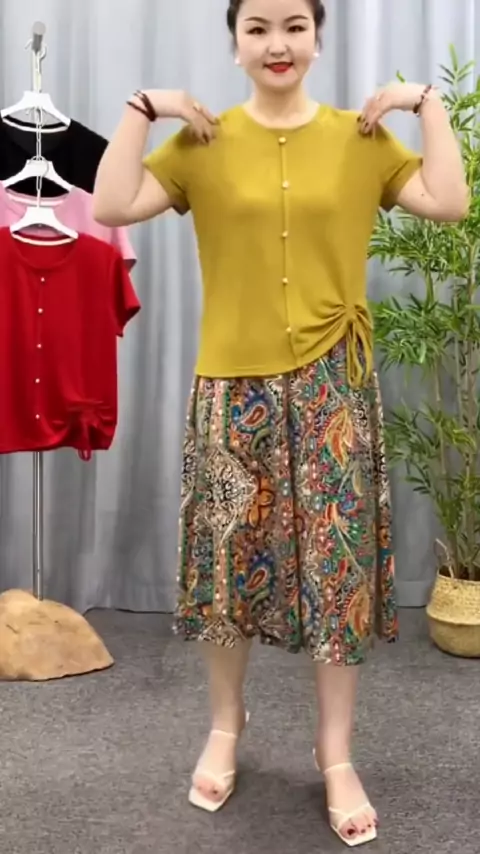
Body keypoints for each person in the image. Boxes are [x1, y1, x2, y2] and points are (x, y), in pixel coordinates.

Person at [93, 0, 468, 846]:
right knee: (228, 571)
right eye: (257, 27)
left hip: (334, 387)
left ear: (317, 38)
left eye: (294, 25)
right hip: (232, 389)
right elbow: (111, 205)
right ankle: (226, 726)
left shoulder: (359, 139)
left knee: (336, 575)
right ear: (235, 43)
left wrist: (425, 102)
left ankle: (336, 753)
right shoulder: (204, 141)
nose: (277, 43)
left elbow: (449, 200)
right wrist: (144, 107)